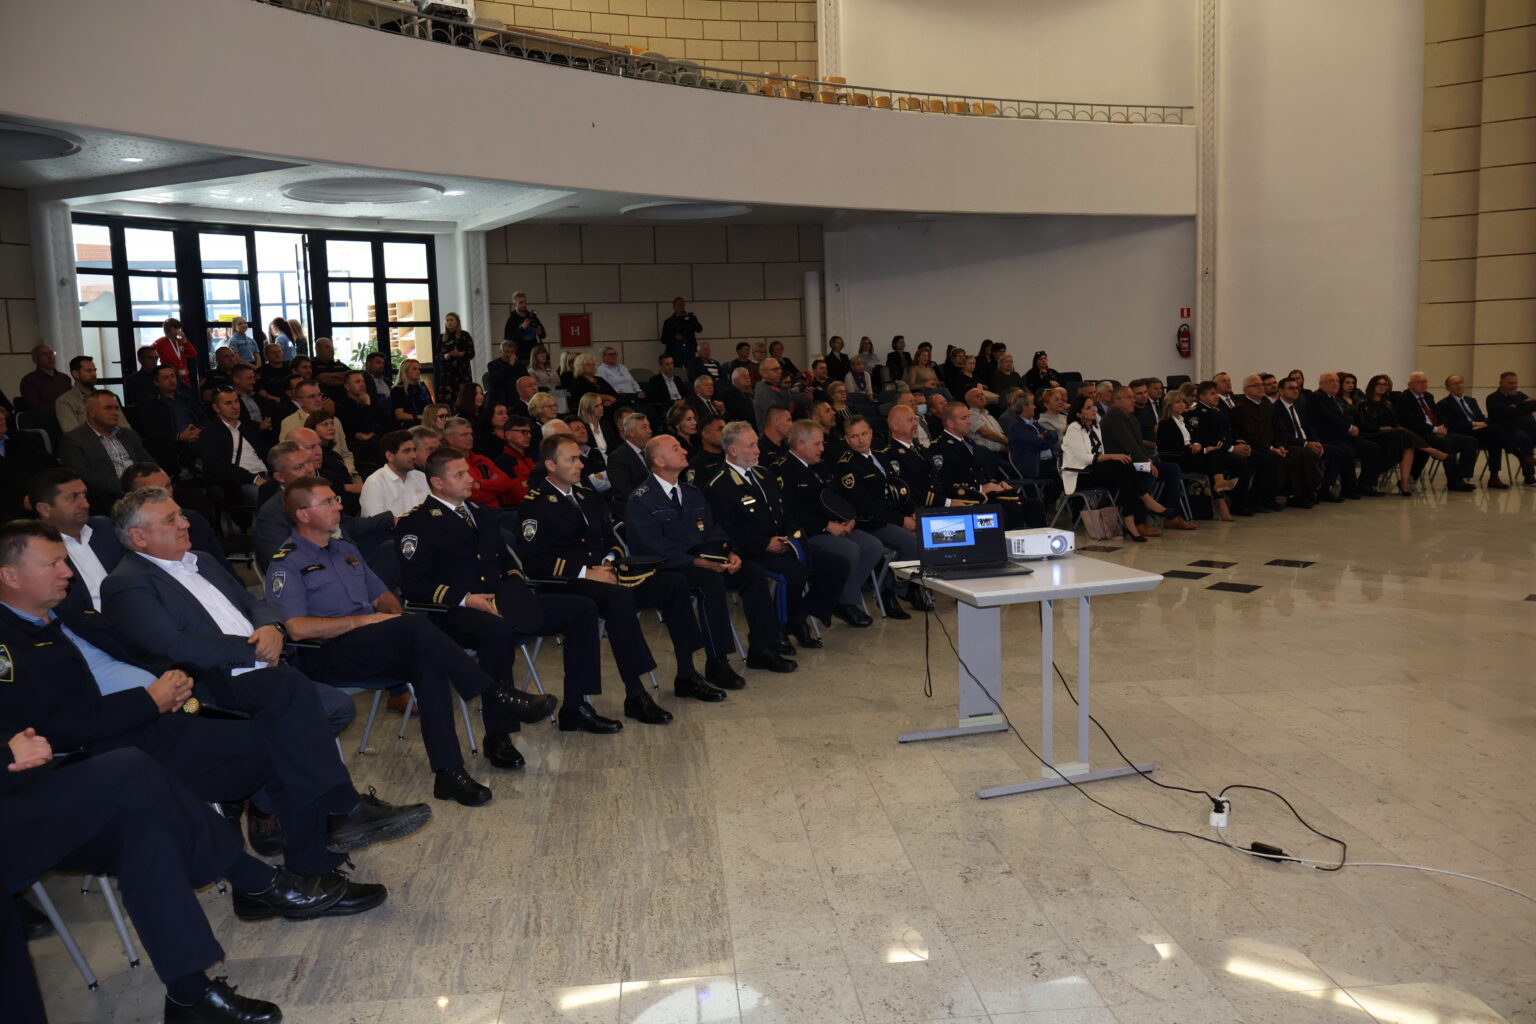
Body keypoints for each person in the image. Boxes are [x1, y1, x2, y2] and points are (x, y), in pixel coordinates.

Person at [1, 519, 421, 892]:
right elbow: (62, 722)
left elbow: (147, 651)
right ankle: (308, 848)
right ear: (11, 576)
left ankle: (314, 855)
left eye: (65, 562)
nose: (68, 572)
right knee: (284, 729)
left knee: (286, 724)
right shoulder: (89, 601)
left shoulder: (68, 611)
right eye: (54, 564)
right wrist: (151, 698)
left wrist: (261, 632)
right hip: (134, 733)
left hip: (177, 701)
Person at [266, 476, 556, 804]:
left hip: (373, 642)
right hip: (327, 653)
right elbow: (296, 629)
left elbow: (383, 596)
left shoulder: (345, 550)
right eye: (328, 502)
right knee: (415, 627)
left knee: (427, 662)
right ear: (303, 514)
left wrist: (390, 615)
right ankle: (497, 693)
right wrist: (367, 621)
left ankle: (449, 774)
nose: (339, 506)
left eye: (336, 498)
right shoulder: (287, 563)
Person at [1, 739, 289, 1024]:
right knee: (130, 767)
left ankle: (189, 995)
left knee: (144, 834)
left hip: (27, 788)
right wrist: (9, 753)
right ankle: (255, 881)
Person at [394, 446, 612, 763]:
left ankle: (576, 706)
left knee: (581, 608)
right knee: (496, 632)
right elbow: (414, 586)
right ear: (437, 483)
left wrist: (514, 590)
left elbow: (507, 563)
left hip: (502, 602)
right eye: (460, 475)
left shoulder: (481, 513)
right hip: (454, 612)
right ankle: (498, 735)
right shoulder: (416, 523)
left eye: (468, 471)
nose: (470, 479)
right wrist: (466, 599)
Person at [518, 433, 723, 710]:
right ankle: (635, 692)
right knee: (619, 598)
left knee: (672, 583)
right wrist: (586, 572)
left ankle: (686, 674)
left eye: (579, 458)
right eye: (572, 459)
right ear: (551, 465)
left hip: (606, 575)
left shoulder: (586, 495)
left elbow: (610, 538)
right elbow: (534, 562)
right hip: (566, 583)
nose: (580, 465)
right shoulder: (535, 504)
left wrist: (610, 559)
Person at [700, 422, 840, 651]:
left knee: (836, 565)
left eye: (757, 444)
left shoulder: (763, 474)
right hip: (753, 551)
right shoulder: (719, 486)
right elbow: (727, 533)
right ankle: (779, 629)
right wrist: (764, 544)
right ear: (733, 450)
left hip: (782, 543)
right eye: (751, 446)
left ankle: (798, 619)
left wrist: (791, 537)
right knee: (793, 573)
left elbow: (784, 513)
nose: (758, 450)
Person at [773, 419, 886, 628]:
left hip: (835, 525)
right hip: (809, 532)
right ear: (800, 444)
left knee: (873, 546)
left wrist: (849, 518)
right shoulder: (783, 470)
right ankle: (846, 603)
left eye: (822, 443)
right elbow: (791, 513)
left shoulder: (820, 465)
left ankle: (836, 598)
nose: (822, 449)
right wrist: (826, 525)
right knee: (850, 549)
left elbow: (835, 497)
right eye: (817, 444)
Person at [254, 436, 396, 583]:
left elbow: (347, 524)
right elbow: (286, 563)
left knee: (393, 548)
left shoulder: (322, 493)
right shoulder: (273, 513)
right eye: (299, 467)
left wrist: (390, 518)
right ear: (280, 477)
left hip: (350, 562)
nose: (310, 470)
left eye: (309, 462)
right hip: (320, 577)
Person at [831, 416, 929, 613]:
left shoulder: (880, 456)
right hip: (869, 522)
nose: (861, 440)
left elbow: (898, 490)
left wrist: (912, 512)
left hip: (890, 516)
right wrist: (902, 521)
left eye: (864, 434)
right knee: (913, 544)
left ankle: (909, 587)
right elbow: (865, 507)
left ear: (871, 433)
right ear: (847, 440)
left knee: (929, 534)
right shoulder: (846, 466)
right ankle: (890, 591)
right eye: (854, 436)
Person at [1060, 395, 1167, 541]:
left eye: (1093, 406)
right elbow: (1083, 458)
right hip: (1079, 474)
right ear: (1078, 414)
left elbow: (1101, 454)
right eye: (1088, 408)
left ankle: (1130, 521)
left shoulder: (1095, 427)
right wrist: (1113, 456)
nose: (1094, 409)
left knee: (1126, 474)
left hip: (1096, 471)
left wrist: (1114, 457)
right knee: (1123, 466)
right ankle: (1146, 504)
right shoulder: (1074, 428)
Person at [928, 402, 1048, 528]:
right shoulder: (940, 447)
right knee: (1013, 507)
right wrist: (980, 488)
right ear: (950, 423)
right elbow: (944, 483)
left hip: (983, 494)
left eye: (969, 417)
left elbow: (979, 474)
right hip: (966, 497)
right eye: (964, 418)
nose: (969, 421)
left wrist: (997, 484)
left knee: (1034, 505)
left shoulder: (968, 442)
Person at [58, 391, 154, 509]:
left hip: (142, 491)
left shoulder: (129, 435)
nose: (115, 412)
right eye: (108, 408)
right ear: (91, 412)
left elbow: (149, 463)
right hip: (107, 499)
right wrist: (129, 488)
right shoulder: (73, 440)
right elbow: (83, 476)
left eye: (116, 408)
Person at [1392, 372, 1479, 492]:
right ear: (1410, 384)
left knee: (1470, 441)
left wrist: (1442, 427)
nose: (1423, 384)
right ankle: (1454, 482)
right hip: (1419, 434)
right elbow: (1412, 422)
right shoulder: (1403, 398)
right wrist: (1435, 430)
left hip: (1436, 431)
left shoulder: (1428, 396)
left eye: (1425, 382)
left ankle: (1462, 476)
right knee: (1447, 444)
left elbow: (1438, 415)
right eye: (1419, 382)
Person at [1272, 377, 1352, 504]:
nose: (1295, 391)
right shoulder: (1275, 409)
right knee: (1306, 454)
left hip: (1307, 443)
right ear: (1281, 391)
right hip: (1290, 445)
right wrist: (1305, 444)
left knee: (1338, 452)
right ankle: (1306, 491)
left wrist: (1316, 442)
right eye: (1291, 388)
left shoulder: (1298, 406)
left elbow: (1309, 427)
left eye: (1297, 388)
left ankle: (1324, 489)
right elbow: (1283, 435)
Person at [1309, 372, 1386, 497]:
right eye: (1331, 381)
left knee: (1374, 448)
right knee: (1347, 451)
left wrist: (1353, 427)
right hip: (1327, 437)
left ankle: (1365, 485)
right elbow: (1329, 417)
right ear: (1321, 384)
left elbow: (1341, 417)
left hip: (1342, 436)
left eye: (1337, 381)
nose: (1335, 384)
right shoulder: (1316, 397)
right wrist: (1349, 427)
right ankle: (1347, 489)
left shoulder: (1333, 399)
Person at [1186, 381, 1257, 515]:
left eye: (1216, 393)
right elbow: (1205, 438)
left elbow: (1227, 432)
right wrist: (1231, 448)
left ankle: (1254, 501)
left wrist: (1238, 444)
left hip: (1225, 448)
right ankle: (1238, 505)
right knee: (1241, 463)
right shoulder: (1196, 412)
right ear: (1201, 396)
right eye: (1212, 394)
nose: (1216, 396)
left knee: (1258, 459)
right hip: (1212, 453)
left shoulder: (1215, 410)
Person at [195, 386, 270, 505]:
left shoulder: (247, 426)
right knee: (270, 498)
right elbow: (216, 466)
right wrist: (253, 478)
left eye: (236, 401)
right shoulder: (210, 433)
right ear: (216, 407)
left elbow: (264, 453)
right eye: (228, 403)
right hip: (239, 483)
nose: (235, 406)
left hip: (265, 476)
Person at [1437, 374, 1510, 488]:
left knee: (1495, 440)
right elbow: (1451, 425)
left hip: (1479, 431)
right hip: (1462, 432)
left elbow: (1481, 417)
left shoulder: (1471, 401)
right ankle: (1521, 456)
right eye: (1455, 384)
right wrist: (1473, 424)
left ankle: (1494, 477)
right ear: (1448, 388)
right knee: (1497, 431)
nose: (1459, 385)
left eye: (1461, 382)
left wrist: (1484, 423)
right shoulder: (1444, 404)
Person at [281, 379, 358, 477]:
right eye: (312, 396)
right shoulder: (290, 423)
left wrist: (348, 472)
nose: (318, 400)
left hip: (344, 473)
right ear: (300, 401)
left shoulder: (335, 421)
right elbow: (288, 457)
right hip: (310, 477)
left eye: (319, 395)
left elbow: (345, 454)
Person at [359, 429, 430, 517]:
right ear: (389, 456)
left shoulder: (421, 477)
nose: (414, 456)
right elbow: (376, 523)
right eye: (407, 451)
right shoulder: (375, 483)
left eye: (414, 450)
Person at [1484, 371, 1536, 485]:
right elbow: (1504, 413)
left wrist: (1516, 406)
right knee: (1526, 439)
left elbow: (1533, 405)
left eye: (1515, 383)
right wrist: (1522, 407)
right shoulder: (1493, 398)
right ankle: (1529, 474)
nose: (1514, 386)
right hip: (1504, 429)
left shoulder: (1519, 395)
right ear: (1501, 383)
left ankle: (1528, 466)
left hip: (1524, 427)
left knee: (1530, 434)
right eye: (1510, 383)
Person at [336, 369, 392, 471]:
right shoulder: (342, 407)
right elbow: (362, 428)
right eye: (357, 382)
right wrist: (367, 405)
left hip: (375, 440)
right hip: (356, 446)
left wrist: (372, 434)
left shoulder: (372, 402)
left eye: (363, 382)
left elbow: (387, 423)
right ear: (347, 387)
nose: (362, 384)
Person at [1006, 391, 1060, 490]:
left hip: (1047, 462)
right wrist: (1045, 437)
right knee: (1063, 478)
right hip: (1034, 466)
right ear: (1024, 407)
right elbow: (1039, 444)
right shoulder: (1017, 427)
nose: (1035, 407)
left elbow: (1054, 435)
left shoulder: (1032, 423)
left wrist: (1044, 436)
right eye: (1032, 404)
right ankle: (1048, 500)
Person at [604, 409, 652, 505]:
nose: (650, 431)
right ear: (631, 432)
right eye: (644, 427)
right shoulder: (617, 458)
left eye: (649, 427)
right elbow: (626, 493)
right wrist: (653, 493)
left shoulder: (652, 451)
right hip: (638, 507)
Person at [434, 312, 476, 402]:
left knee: (464, 398)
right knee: (448, 399)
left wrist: (459, 354)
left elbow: (471, 353)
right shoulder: (441, 337)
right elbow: (437, 356)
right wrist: (445, 356)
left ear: (457, 322)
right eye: (447, 320)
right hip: (447, 373)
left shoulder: (464, 335)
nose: (449, 322)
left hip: (462, 372)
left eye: (452, 320)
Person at [53, 355, 97, 433]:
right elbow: (73, 433)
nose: (94, 374)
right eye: (89, 371)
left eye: (94, 370)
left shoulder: (106, 397)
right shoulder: (64, 401)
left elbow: (121, 425)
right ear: (75, 374)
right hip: (87, 440)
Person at [152, 318, 200, 390]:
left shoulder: (181, 341)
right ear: (168, 329)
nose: (178, 330)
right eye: (176, 328)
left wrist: (185, 340)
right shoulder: (160, 342)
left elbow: (193, 354)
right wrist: (156, 369)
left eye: (179, 328)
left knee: (187, 395)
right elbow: (148, 354)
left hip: (184, 378)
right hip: (169, 378)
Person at [753, 357, 800, 425]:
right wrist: (789, 408)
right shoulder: (763, 391)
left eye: (780, 368)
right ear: (764, 373)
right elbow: (776, 415)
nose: (779, 371)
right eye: (775, 369)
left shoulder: (777, 385)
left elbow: (797, 398)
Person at [389, 357, 434, 426]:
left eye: (419, 369)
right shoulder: (397, 390)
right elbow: (399, 415)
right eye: (414, 369)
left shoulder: (422, 387)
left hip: (426, 420)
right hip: (410, 423)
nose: (418, 371)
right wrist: (420, 417)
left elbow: (431, 406)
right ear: (405, 372)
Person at [502, 292, 545, 362]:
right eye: (521, 303)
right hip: (519, 356)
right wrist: (522, 328)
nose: (524, 305)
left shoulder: (531, 316)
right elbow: (507, 338)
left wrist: (540, 332)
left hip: (534, 356)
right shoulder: (512, 318)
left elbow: (543, 335)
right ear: (515, 304)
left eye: (525, 302)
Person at [660, 296, 704, 365]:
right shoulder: (669, 322)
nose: (680, 306)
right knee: (676, 370)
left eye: (682, 305)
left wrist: (692, 319)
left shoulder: (691, 318)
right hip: (674, 352)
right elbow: (663, 339)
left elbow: (699, 329)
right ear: (674, 307)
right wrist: (674, 337)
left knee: (691, 369)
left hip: (689, 351)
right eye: (678, 305)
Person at [484, 340, 529, 406]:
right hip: (501, 397)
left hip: (518, 397)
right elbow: (497, 380)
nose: (509, 354)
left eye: (512, 352)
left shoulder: (520, 365)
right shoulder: (493, 365)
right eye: (506, 352)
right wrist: (510, 365)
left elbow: (526, 380)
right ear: (501, 352)